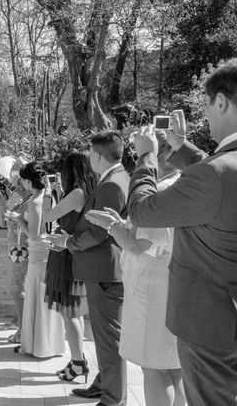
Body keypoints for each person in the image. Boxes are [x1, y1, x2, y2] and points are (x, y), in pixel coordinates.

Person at [128, 61, 237, 406]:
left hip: (211, 324)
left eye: (206, 105)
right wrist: (181, 148)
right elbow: (219, 178)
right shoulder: (220, 170)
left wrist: (146, 156)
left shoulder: (213, 175)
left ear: (220, 102)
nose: (205, 115)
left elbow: (143, 209)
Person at [86, 130, 185, 406]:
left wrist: (113, 228)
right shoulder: (184, 182)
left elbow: (141, 245)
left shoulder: (163, 189)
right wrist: (124, 224)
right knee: (175, 368)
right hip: (172, 284)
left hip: (152, 289)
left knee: (154, 369)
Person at [48, 131, 130, 406]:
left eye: (90, 152)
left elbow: (99, 232)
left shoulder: (111, 185)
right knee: (104, 335)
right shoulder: (112, 179)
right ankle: (103, 383)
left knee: (109, 339)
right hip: (101, 269)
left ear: (96, 155)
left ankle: (113, 398)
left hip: (105, 271)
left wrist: (68, 242)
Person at [42, 151, 97, 383]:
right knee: (72, 312)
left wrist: (47, 193)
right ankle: (78, 359)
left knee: (69, 313)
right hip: (72, 253)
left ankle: (77, 363)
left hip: (67, 257)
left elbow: (48, 215)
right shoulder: (87, 190)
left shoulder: (76, 193)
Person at [14, 161, 65, 358]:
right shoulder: (46, 196)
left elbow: (33, 234)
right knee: (44, 297)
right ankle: (48, 343)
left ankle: (39, 345)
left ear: (28, 181)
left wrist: (18, 219)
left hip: (39, 253)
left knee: (37, 295)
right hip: (46, 250)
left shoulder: (36, 201)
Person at [0, 160, 31, 344]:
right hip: (14, 247)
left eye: (20, 184)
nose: (17, 189)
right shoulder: (16, 197)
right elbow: (3, 222)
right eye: (15, 185)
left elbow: (24, 223)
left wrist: (4, 206)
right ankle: (21, 328)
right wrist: (0, 205)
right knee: (17, 289)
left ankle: (24, 331)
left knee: (19, 290)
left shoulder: (32, 200)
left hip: (25, 248)